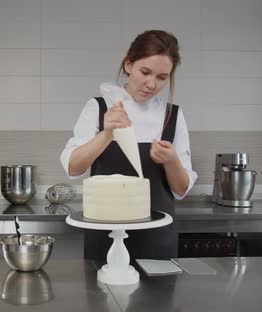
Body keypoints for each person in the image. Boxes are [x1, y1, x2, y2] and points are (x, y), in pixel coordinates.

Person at [60, 30, 198, 262]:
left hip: (156, 238)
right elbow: (73, 168)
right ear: (128, 65)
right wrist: (106, 134)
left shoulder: (173, 115)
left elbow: (181, 189)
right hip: (104, 237)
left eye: (162, 77)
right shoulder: (99, 107)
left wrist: (171, 160)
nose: (151, 84)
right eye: (145, 72)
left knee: (158, 298)